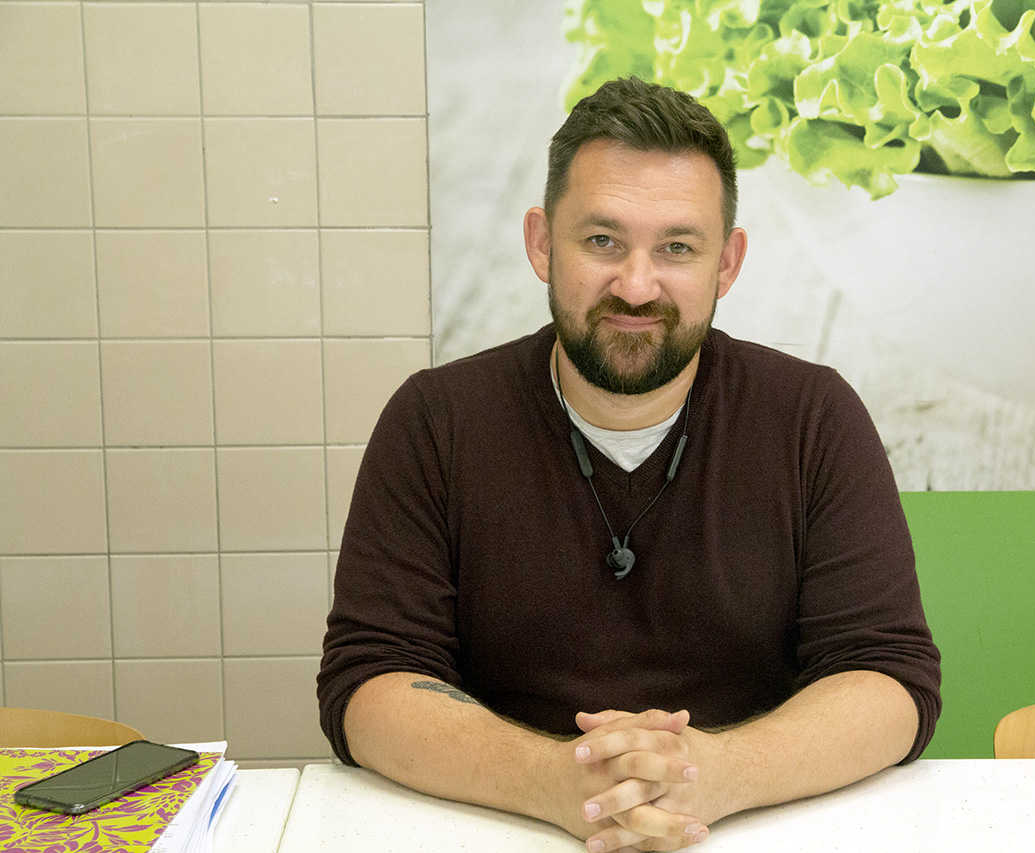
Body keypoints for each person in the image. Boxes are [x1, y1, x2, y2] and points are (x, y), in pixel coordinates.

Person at [318, 76, 941, 852]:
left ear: (727, 262)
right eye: (602, 241)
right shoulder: (435, 421)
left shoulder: (814, 417)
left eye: (677, 247)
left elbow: (888, 677)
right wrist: (552, 780)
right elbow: (368, 682)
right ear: (542, 243)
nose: (637, 286)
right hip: (497, 828)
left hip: (752, 828)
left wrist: (719, 773)